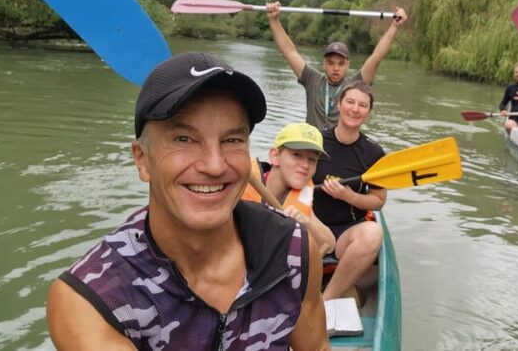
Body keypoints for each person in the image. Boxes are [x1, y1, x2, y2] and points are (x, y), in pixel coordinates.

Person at [46, 53, 329, 350]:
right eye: (184, 139)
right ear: (142, 160)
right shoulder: (96, 299)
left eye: (232, 140)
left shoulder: (293, 251)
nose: (215, 165)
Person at [266, 1, 408, 129]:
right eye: (331, 63)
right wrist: (274, 20)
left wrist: (394, 26)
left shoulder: (356, 84)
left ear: (348, 64)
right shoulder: (312, 79)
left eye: (341, 64)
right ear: (324, 63)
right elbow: (289, 52)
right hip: (313, 149)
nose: (335, 68)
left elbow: (376, 57)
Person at [312, 81, 386, 301]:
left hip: (347, 231)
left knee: (373, 233)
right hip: (312, 225)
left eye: (362, 105)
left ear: (368, 113)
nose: (355, 109)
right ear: (339, 104)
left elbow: (379, 201)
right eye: (350, 102)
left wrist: (348, 196)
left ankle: (326, 300)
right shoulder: (316, 139)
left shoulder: (373, 153)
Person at [242, 122, 336, 256]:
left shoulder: (301, 198)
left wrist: (307, 222)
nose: (305, 165)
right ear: (275, 156)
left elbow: (330, 244)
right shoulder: (242, 183)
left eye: (312, 159)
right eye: (297, 155)